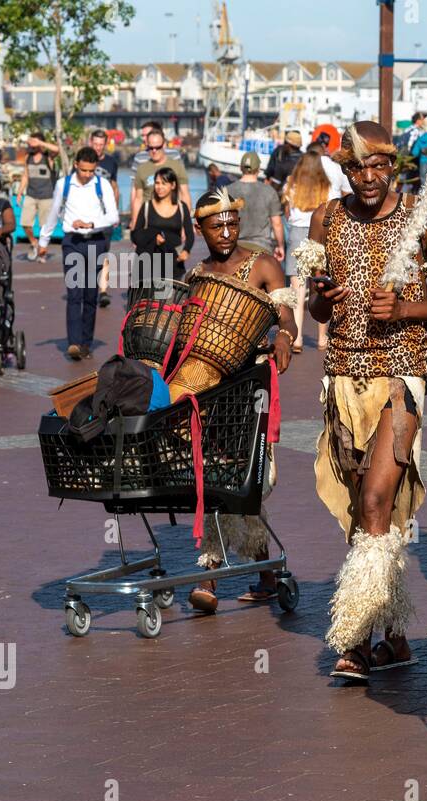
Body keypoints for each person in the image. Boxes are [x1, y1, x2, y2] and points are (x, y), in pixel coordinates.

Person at [300, 121, 427, 684]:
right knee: (368, 511)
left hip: (402, 377)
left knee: (374, 499)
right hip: (342, 379)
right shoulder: (328, 218)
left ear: (393, 168)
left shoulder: (425, 218)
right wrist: (322, 299)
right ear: (343, 171)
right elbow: (318, 314)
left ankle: (358, 636)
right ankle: (396, 634)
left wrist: (404, 312)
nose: (366, 178)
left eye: (377, 167)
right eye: (355, 168)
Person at [185, 187, 299, 612]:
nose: (227, 232)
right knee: (221, 477)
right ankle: (259, 573)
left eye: (232, 223)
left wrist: (283, 336)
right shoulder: (197, 274)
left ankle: (212, 574)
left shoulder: (263, 264)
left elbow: (285, 313)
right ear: (200, 229)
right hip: (212, 390)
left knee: (251, 479)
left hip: (252, 387)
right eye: (217, 226)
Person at [38, 146, 119, 360]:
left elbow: (113, 217)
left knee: (90, 295)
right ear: (76, 165)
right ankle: (73, 343)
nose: (87, 175)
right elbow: (54, 212)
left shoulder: (103, 186)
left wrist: (91, 223)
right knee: (74, 294)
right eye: (84, 170)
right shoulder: (63, 185)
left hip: (96, 242)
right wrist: (43, 240)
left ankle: (86, 343)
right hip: (72, 242)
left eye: (91, 171)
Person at [282, 152, 332, 352]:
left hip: (296, 234)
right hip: (319, 233)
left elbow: (287, 212)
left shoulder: (291, 186)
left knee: (297, 289)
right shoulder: (325, 187)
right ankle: (321, 338)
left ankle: (298, 338)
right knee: (321, 286)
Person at [130, 167, 193, 287]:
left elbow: (190, 234)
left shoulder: (181, 207)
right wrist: (154, 237)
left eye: (164, 183)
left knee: (169, 302)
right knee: (146, 303)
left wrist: (186, 250)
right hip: (148, 262)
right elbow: (135, 234)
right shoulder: (147, 206)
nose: (159, 187)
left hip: (173, 263)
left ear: (173, 185)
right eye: (157, 183)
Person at [226, 151, 285, 262]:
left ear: (240, 168)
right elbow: (277, 224)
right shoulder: (269, 191)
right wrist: (280, 246)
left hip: (235, 248)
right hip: (262, 248)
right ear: (258, 169)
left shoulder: (228, 190)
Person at [131, 129, 190, 227]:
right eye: (151, 147)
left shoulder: (177, 166)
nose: (154, 151)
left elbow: (185, 195)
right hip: (148, 223)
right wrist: (135, 224)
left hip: (173, 222)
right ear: (147, 146)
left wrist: (186, 224)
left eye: (158, 147)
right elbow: (138, 199)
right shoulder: (141, 169)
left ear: (164, 145)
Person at [88, 129, 120, 309]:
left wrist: (113, 211)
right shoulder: (83, 160)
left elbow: (115, 187)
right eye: (95, 144)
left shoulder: (111, 162)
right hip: (86, 216)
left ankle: (103, 291)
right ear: (90, 142)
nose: (98, 148)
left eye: (101, 145)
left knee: (103, 253)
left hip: (104, 216)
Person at [19, 132, 59, 262]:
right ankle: (34, 243)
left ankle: (42, 252)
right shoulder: (28, 157)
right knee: (25, 223)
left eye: (34, 142)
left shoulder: (48, 157)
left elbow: (57, 149)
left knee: (44, 227)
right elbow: (25, 175)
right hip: (31, 194)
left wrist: (40, 143)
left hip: (46, 196)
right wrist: (20, 192)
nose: (32, 145)